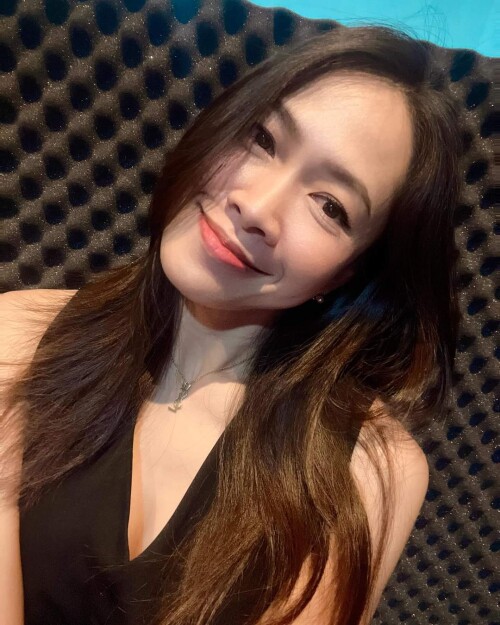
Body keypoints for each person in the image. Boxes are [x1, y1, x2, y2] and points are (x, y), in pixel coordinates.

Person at [0, 23, 464, 625]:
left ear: (348, 272)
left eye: (330, 206)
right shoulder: (18, 336)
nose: (256, 206)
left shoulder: (367, 468)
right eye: (262, 139)